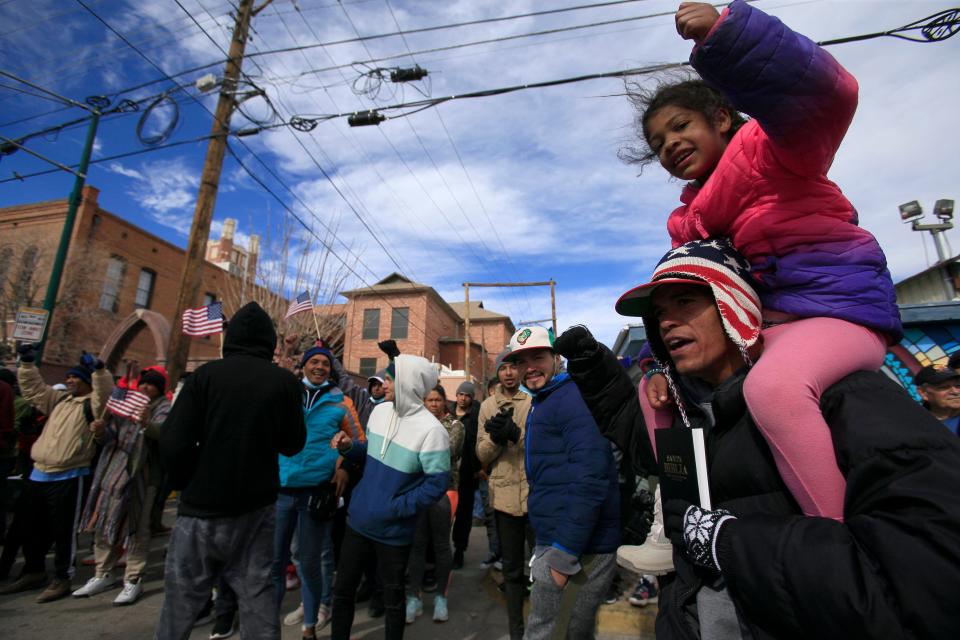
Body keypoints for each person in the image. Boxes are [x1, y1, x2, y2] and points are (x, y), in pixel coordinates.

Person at [564, 240, 960, 639]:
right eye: (659, 313)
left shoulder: (847, 397)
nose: (666, 322)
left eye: (685, 301)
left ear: (733, 303)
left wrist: (731, 543)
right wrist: (593, 370)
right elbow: (642, 446)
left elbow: (930, 577)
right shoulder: (683, 407)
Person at [621, 0, 901, 522]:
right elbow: (686, 299)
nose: (671, 145)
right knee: (655, 393)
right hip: (768, 331)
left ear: (722, 117)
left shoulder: (776, 149)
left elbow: (828, 94)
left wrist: (729, 39)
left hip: (836, 315)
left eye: (681, 126)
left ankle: (837, 535)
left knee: (773, 390)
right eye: (659, 143)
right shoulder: (688, 222)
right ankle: (681, 520)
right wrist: (659, 363)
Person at [155, 302, 306, 640]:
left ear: (231, 338)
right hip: (257, 509)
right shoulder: (283, 383)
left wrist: (184, 482)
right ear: (269, 342)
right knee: (258, 602)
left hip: (200, 511)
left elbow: (173, 441)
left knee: (180, 604)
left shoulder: (204, 377)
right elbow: (293, 443)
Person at [504, 326, 620, 640]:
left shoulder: (571, 398)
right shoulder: (548, 398)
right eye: (520, 361)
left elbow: (591, 477)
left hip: (578, 547)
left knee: (551, 633)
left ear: (557, 358)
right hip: (560, 539)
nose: (529, 368)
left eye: (538, 357)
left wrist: (564, 553)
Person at [329, 354, 450, 640]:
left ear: (407, 383)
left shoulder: (433, 431)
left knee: (393, 601)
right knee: (343, 594)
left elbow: (436, 486)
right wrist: (349, 448)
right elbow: (371, 452)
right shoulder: (380, 412)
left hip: (394, 533)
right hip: (357, 522)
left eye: (390, 379)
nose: (384, 383)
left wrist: (397, 507)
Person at [1, 348, 112, 603]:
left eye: (75, 378)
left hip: (71, 475)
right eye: (69, 377)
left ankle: (62, 577)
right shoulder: (59, 400)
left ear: (86, 381)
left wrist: (99, 369)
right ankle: (33, 570)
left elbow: (104, 393)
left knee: (63, 531)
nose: (70, 380)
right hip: (39, 473)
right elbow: (33, 390)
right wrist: (27, 364)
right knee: (29, 527)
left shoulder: (93, 405)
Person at [273, 341, 364, 639]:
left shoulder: (341, 402)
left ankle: (313, 618)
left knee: (315, 558)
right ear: (305, 366)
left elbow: (361, 445)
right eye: (314, 362)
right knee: (278, 559)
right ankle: (268, 622)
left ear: (330, 370)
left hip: (317, 491)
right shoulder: (287, 393)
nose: (320, 367)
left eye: (325, 364)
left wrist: (344, 463)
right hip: (282, 489)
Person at [72, 366, 171, 606]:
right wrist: (100, 431)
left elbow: (165, 435)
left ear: (159, 388)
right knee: (105, 524)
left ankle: (133, 578)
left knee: (136, 528)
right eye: (143, 383)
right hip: (112, 474)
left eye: (151, 384)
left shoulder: (163, 409)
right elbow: (110, 438)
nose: (145, 387)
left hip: (143, 478)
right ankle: (103, 573)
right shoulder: (123, 405)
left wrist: (148, 424)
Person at [476, 349, 533, 640]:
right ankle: (516, 632)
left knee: (539, 569)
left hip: (536, 499)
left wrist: (517, 434)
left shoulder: (534, 402)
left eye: (513, 367)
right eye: (503, 368)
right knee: (512, 570)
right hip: (505, 499)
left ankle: (539, 626)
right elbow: (481, 453)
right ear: (497, 373)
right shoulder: (487, 406)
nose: (509, 373)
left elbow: (540, 445)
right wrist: (498, 439)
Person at [405, 384, 464, 624]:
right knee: (417, 545)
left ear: (444, 402)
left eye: (437, 400)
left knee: (441, 545)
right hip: (418, 489)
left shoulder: (455, 425)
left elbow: (449, 451)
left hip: (445, 489)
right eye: (428, 400)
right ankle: (414, 597)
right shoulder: (415, 424)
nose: (433, 404)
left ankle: (441, 597)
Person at [450, 381, 486, 569]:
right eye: (460, 394)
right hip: (447, 474)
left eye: (467, 395)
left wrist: (478, 467)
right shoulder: (447, 413)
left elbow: (479, 443)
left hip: (467, 474)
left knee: (463, 515)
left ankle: (459, 550)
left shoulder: (477, 416)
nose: (463, 398)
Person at [913, 365, 960, 435]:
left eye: (958, 386)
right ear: (923, 392)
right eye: (944, 387)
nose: (956, 392)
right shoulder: (912, 425)